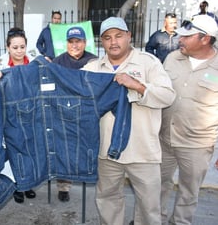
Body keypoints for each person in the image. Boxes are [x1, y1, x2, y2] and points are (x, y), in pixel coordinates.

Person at [82, 17, 176, 225]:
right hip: (106, 152)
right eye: (107, 38)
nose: (113, 42)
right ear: (102, 42)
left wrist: (137, 86)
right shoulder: (92, 68)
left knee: (149, 207)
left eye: (118, 36)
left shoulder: (148, 63)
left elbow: (168, 96)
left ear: (128, 36)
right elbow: (71, 93)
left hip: (143, 152)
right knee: (108, 201)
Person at [159, 15, 218, 225]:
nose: (180, 39)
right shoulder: (173, 58)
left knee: (188, 194)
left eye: (187, 36)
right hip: (164, 139)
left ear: (205, 39)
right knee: (156, 186)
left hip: (197, 145)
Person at [0, 27, 37, 203]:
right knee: (13, 150)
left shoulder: (33, 63)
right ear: (7, 47)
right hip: (9, 115)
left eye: (22, 47)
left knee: (30, 150)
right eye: (15, 47)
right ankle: (17, 185)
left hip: (31, 114)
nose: (19, 51)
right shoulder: (0, 66)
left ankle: (29, 183)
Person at [53, 26, 97, 202]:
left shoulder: (94, 61)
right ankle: (64, 186)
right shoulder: (57, 62)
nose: (74, 45)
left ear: (84, 43)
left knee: (87, 147)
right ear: (67, 44)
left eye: (78, 41)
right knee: (64, 150)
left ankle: (89, 175)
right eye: (71, 42)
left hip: (87, 112)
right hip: (63, 112)